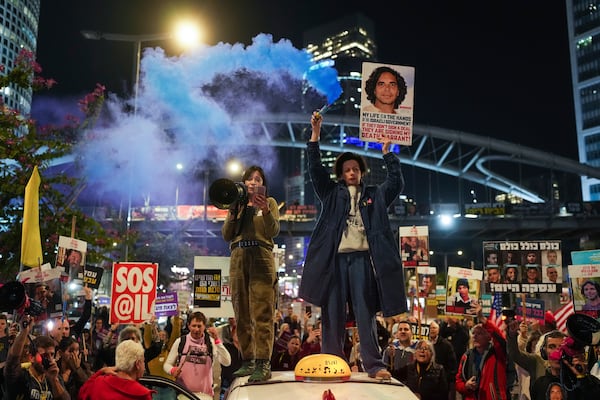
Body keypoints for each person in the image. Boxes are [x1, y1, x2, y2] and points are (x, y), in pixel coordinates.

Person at [299, 112, 406, 380]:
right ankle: (333, 364)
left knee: (365, 311)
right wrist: (315, 135)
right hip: (334, 262)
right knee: (332, 313)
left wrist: (387, 153)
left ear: (361, 173)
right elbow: (315, 170)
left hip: (361, 260)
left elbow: (396, 184)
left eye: (355, 170)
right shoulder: (331, 193)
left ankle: (374, 364)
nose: (351, 173)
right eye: (346, 170)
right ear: (341, 174)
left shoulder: (374, 196)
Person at [221, 165, 280, 382]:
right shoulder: (236, 204)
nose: (253, 182)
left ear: (263, 184)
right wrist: (234, 213)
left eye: (258, 179)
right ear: (244, 182)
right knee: (241, 312)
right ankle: (248, 361)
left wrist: (265, 211)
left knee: (262, 313)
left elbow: (273, 231)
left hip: (261, 256)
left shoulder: (270, 202)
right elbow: (227, 234)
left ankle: (263, 362)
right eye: (250, 179)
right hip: (238, 256)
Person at [163, 311, 231, 400]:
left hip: (205, 396)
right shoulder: (180, 342)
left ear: (204, 327)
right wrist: (172, 370)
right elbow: (166, 365)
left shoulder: (210, 342)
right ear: (188, 325)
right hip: (183, 394)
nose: (196, 329)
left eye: (199, 326)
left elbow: (227, 362)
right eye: (194, 326)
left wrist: (217, 340)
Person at [4, 316, 70, 400]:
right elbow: (12, 361)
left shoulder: (52, 376)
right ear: (31, 357)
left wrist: (54, 381)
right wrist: (24, 331)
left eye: (52, 354)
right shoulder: (21, 375)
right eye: (44, 356)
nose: (49, 359)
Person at [456, 303, 508, 400]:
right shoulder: (466, 356)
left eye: (479, 333)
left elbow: (500, 338)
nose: (475, 336)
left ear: (489, 336)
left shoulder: (497, 353)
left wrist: (482, 318)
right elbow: (458, 382)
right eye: (473, 333)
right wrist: (466, 386)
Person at [79, 339, 153, 400]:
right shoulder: (142, 395)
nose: (144, 366)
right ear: (137, 364)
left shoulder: (99, 382)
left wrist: (101, 371)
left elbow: (82, 393)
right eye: (143, 361)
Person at [428, 321, 457, 400]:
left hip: (441, 382)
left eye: (434, 328)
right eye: (430, 328)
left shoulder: (446, 345)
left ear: (438, 330)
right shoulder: (424, 343)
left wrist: (445, 379)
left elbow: (452, 365)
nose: (432, 330)